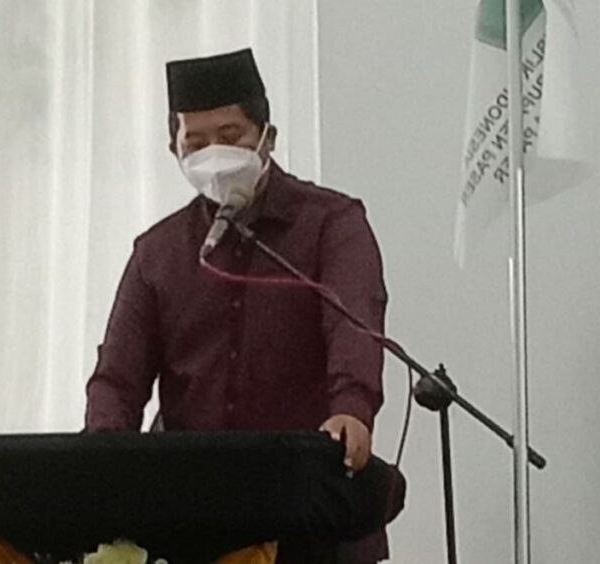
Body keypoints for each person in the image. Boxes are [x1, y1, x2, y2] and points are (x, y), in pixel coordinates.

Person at [84, 48, 391, 563]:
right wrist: (104, 457)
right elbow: (118, 377)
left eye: (230, 136)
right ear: (173, 147)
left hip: (311, 512)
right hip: (192, 523)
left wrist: (352, 410)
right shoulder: (157, 252)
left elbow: (354, 327)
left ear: (267, 137)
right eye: (195, 142)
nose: (214, 154)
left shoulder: (332, 224)